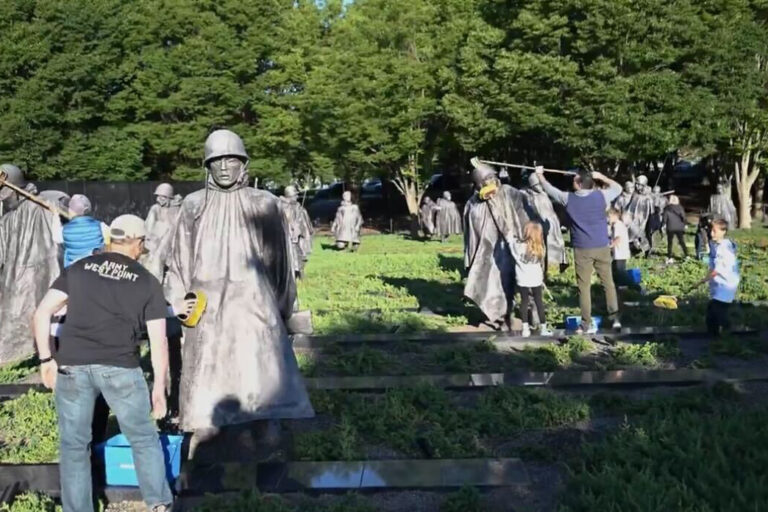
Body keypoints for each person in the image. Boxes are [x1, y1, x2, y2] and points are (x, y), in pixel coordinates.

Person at [164, 129, 313, 450]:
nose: (223, 167)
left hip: (253, 303)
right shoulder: (192, 205)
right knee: (206, 366)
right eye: (216, 161)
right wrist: (178, 301)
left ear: (243, 162)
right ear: (207, 166)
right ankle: (205, 425)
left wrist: (284, 308)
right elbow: (179, 257)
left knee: (259, 365)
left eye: (230, 159)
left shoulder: (265, 204)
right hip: (208, 305)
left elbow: (279, 261)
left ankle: (265, 421)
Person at [32, 215, 176, 512]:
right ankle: (159, 505)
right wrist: (159, 387)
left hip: (71, 366)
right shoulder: (148, 282)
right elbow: (158, 341)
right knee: (143, 439)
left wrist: (46, 359)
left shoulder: (79, 268)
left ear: (112, 240)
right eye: (142, 245)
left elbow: (42, 312)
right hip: (120, 368)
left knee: (74, 446)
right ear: (137, 243)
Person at [537, 166, 622, 334]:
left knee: (584, 288)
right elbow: (618, 188)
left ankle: (585, 323)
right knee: (608, 284)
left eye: (575, 178)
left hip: (582, 248)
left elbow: (549, 189)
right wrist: (602, 176)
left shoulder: (568, 198)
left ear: (578, 183)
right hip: (602, 246)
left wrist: (540, 175)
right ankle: (615, 319)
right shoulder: (601, 196)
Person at [0, 164, 65, 364]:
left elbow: (56, 242)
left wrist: (56, 212)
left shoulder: (41, 207)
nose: (3, 197)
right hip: (13, 278)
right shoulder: (8, 219)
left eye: (5, 192)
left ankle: (34, 355)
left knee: (28, 315)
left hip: (35, 275)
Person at [464, 158, 531, 330]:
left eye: (492, 178)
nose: (490, 182)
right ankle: (491, 316)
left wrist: (524, 237)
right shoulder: (473, 203)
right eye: (485, 181)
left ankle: (507, 315)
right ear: (478, 184)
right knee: (486, 283)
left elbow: (521, 213)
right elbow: (471, 230)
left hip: (507, 248)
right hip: (485, 252)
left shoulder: (509, 192)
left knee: (507, 281)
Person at [509, 222, 552, 337]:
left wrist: (511, 236)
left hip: (522, 278)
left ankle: (525, 329)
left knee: (524, 302)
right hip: (536, 279)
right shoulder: (540, 248)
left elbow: (510, 243)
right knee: (539, 302)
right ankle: (543, 328)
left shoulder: (518, 246)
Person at [701, 219, 740, 336]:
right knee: (711, 312)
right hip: (720, 283)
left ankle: (728, 332)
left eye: (714, 231)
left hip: (726, 284)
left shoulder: (724, 249)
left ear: (723, 231)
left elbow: (717, 270)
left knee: (718, 311)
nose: (711, 233)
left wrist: (704, 279)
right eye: (711, 231)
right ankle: (713, 335)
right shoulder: (718, 246)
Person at [523, 173, 567, 269]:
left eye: (539, 184)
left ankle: (558, 264)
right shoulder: (530, 196)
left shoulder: (544, 194)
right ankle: (544, 265)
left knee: (557, 243)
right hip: (540, 223)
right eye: (535, 185)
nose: (538, 187)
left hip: (551, 221)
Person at [143, 183, 182, 282]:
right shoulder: (155, 209)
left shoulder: (176, 209)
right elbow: (148, 227)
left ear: (169, 197)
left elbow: (176, 226)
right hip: (154, 240)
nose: (159, 199)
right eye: (158, 196)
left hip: (170, 241)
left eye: (163, 197)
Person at [61, 194, 106, 268]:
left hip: (73, 272)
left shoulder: (63, 230)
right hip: (94, 270)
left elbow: (55, 238)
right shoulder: (101, 226)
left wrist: (55, 217)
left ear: (71, 211)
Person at [279, 185, 313, 277]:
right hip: (288, 236)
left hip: (299, 235)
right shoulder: (282, 207)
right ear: (289, 196)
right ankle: (291, 274)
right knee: (290, 255)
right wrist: (292, 229)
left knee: (300, 253)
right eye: (295, 195)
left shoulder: (298, 207)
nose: (297, 197)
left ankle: (300, 272)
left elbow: (304, 221)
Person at [626, 175, 654, 255]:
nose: (636, 186)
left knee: (642, 234)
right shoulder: (635, 194)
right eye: (636, 184)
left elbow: (651, 211)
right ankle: (633, 249)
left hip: (643, 220)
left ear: (643, 185)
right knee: (631, 233)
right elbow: (630, 206)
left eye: (638, 184)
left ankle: (647, 250)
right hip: (632, 218)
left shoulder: (648, 197)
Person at [608, 208, 630, 285]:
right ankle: (617, 287)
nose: (608, 218)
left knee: (620, 273)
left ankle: (634, 287)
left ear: (615, 216)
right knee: (615, 271)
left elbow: (618, 238)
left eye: (609, 216)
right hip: (619, 253)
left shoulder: (617, 225)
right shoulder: (617, 225)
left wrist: (610, 245)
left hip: (620, 253)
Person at [663, 195, 688, 263]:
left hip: (670, 227)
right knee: (681, 241)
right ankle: (686, 255)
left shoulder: (667, 208)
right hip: (679, 227)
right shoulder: (680, 207)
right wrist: (685, 224)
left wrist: (663, 224)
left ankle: (670, 257)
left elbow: (665, 218)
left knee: (670, 242)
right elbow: (683, 216)